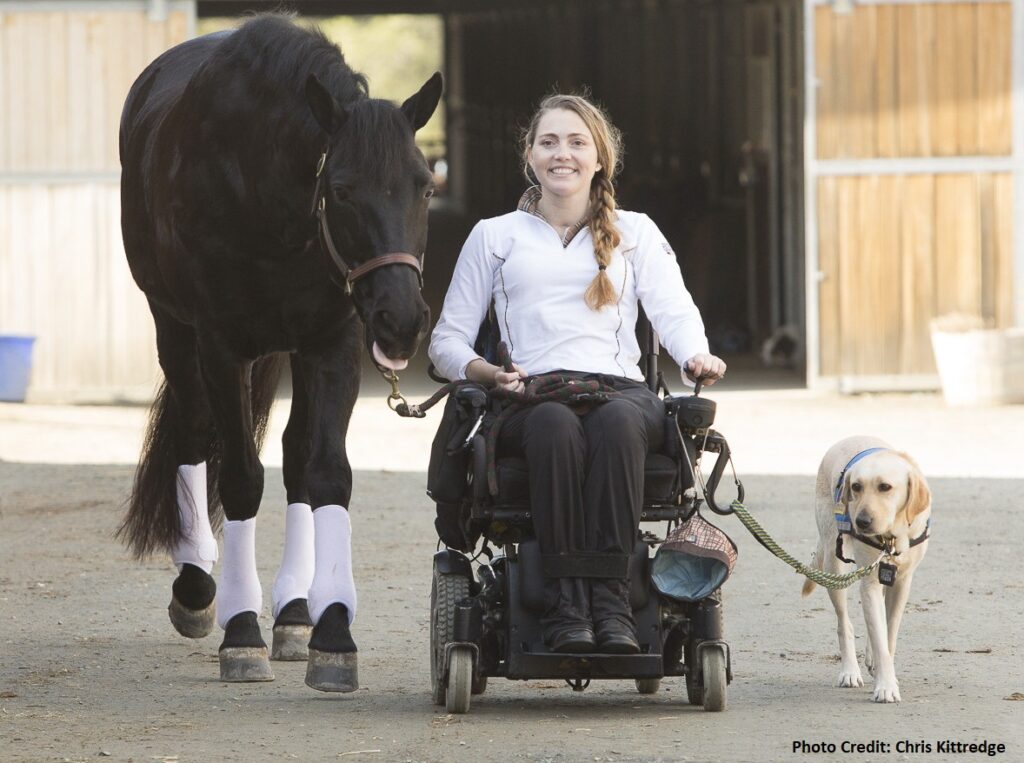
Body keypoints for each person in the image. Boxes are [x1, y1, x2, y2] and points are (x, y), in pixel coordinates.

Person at [429, 93, 726, 655]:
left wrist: (696, 354)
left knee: (616, 424)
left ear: (599, 159)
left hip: (620, 392)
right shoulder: (494, 236)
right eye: (548, 142)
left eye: (576, 142)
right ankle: (567, 604)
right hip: (529, 397)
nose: (561, 154)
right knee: (554, 427)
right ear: (530, 156)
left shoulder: (635, 231)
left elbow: (675, 312)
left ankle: (612, 604)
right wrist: (487, 373)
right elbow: (446, 341)